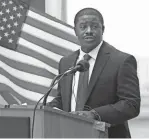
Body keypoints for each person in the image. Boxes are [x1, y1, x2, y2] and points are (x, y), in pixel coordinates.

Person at [47, 7, 141, 138]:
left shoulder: (121, 61)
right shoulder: (66, 62)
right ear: (75, 31)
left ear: (103, 29)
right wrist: (47, 108)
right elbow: (63, 99)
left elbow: (131, 104)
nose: (89, 31)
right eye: (83, 26)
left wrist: (95, 114)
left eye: (94, 26)